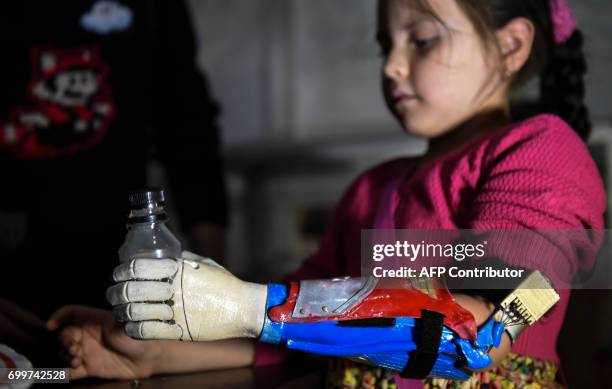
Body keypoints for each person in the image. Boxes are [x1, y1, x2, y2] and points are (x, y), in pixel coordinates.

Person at [48, 0, 605, 387]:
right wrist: (159, 349)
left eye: (424, 40)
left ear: (511, 45)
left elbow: (483, 335)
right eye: (385, 44)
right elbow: (295, 331)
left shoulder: (543, 152)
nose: (391, 65)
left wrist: (244, 304)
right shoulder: (372, 188)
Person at [0, 0, 227, 364]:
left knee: (93, 370)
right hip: (12, 273)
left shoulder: (152, 10)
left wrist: (218, 289)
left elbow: (187, 123)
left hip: (119, 273)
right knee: (20, 375)